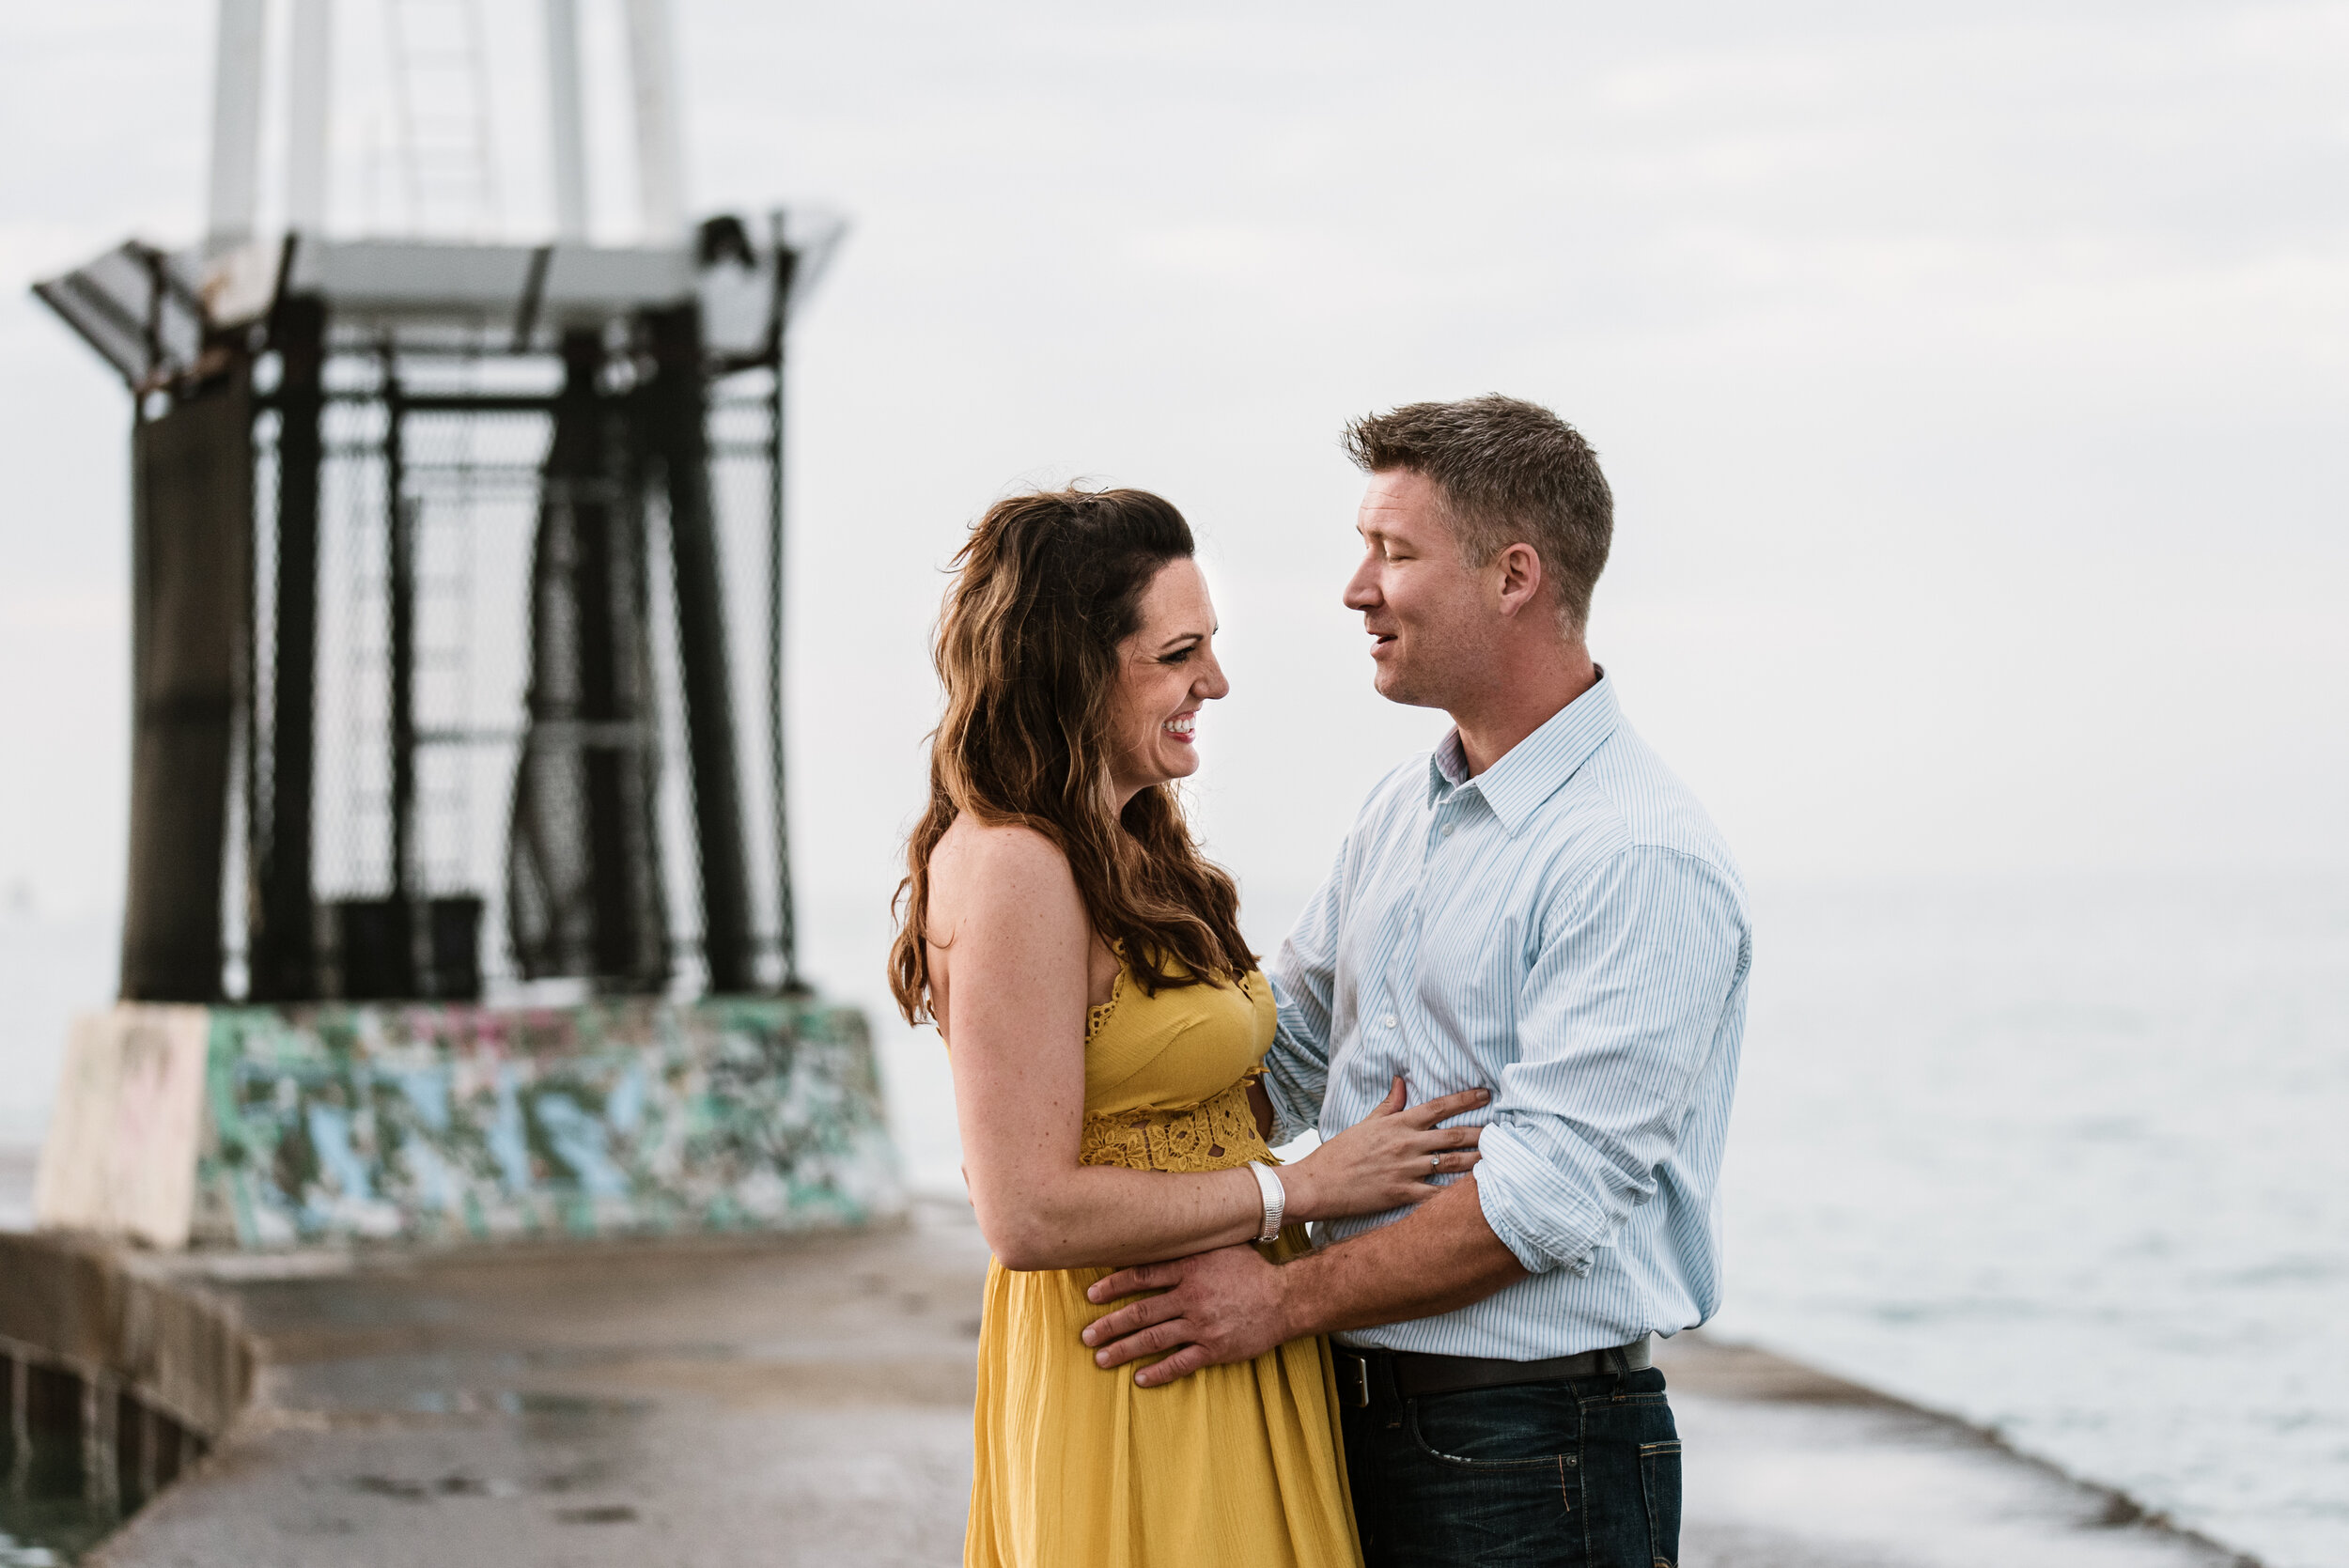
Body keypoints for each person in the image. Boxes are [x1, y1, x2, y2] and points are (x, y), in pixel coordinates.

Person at [1081, 396, 1752, 1568]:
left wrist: (1278, 1296)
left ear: (1514, 576)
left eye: (1393, 553)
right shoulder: (1403, 806)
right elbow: (1280, 1060)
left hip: (1527, 1444)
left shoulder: (1635, 853)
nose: (1355, 587)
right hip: (1339, 1407)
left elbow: (1544, 1197)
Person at [889, 487, 1494, 1568]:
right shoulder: (1018, 863)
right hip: (1136, 1363)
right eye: (1177, 654)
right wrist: (1305, 1187)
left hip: (1225, 1336)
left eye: (1207, 646)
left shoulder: (1134, 842)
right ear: (1076, 668)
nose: (1212, 681)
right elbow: (1022, 1209)